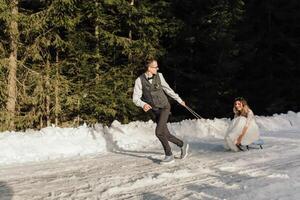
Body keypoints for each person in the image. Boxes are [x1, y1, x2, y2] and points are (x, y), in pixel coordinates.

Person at [132, 58, 189, 164]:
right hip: (155, 110)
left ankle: (169, 155)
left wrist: (179, 100)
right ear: (149, 68)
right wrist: (143, 104)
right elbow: (135, 98)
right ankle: (182, 144)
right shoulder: (139, 80)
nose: (157, 68)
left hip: (165, 107)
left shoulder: (160, 76)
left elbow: (168, 89)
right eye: (155, 67)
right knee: (165, 133)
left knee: (158, 132)